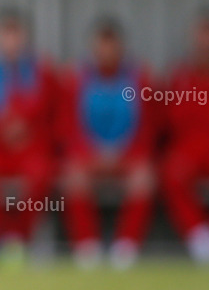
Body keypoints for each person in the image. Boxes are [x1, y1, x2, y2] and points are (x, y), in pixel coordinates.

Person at [0, 8, 59, 267]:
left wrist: (25, 128)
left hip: (31, 147)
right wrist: (0, 127)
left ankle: (20, 238)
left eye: (16, 35)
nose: (11, 42)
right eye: (6, 35)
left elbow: (54, 114)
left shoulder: (42, 72)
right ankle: (0, 238)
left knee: (40, 174)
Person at [59, 18, 157, 269]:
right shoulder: (77, 79)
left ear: (121, 47)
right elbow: (67, 125)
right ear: (92, 48)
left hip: (128, 155)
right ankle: (86, 246)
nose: (106, 52)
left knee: (144, 178)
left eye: (111, 46)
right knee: (73, 177)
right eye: (101, 46)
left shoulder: (139, 78)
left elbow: (150, 124)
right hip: (88, 155)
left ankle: (126, 247)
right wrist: (91, 153)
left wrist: (125, 153)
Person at [161, 12, 209, 265]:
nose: (205, 45)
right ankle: (199, 237)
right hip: (189, 150)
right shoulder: (179, 77)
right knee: (172, 171)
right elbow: (163, 123)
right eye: (200, 39)